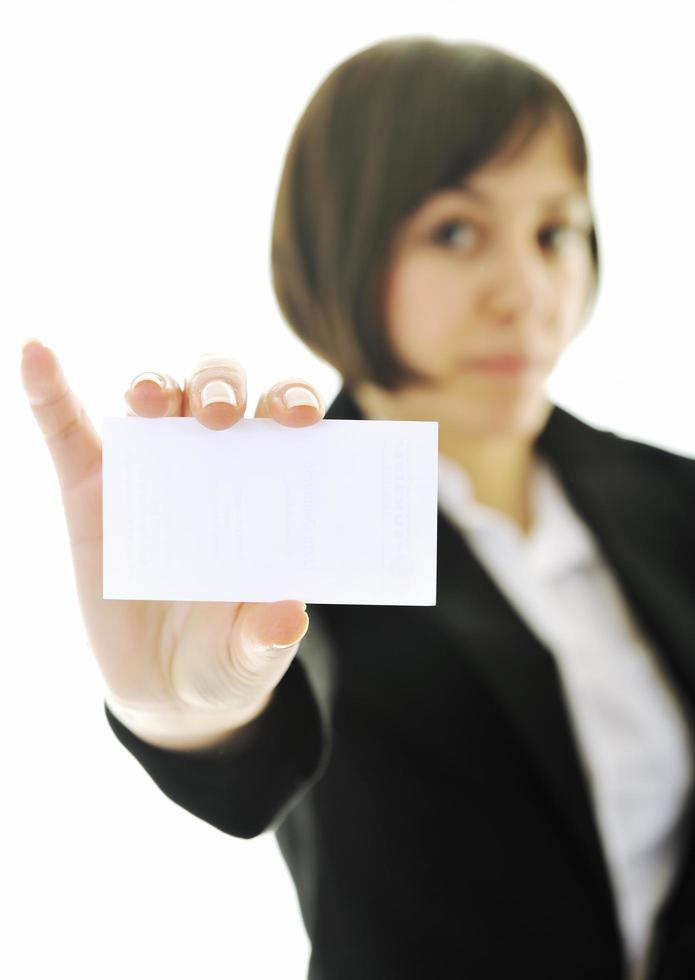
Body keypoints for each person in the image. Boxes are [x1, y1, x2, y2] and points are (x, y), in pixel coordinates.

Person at [20, 35, 695, 980]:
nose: (527, 293)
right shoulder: (285, 508)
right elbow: (262, 747)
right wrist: (182, 717)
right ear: (344, 242)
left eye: (554, 231)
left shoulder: (673, 497)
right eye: (455, 231)